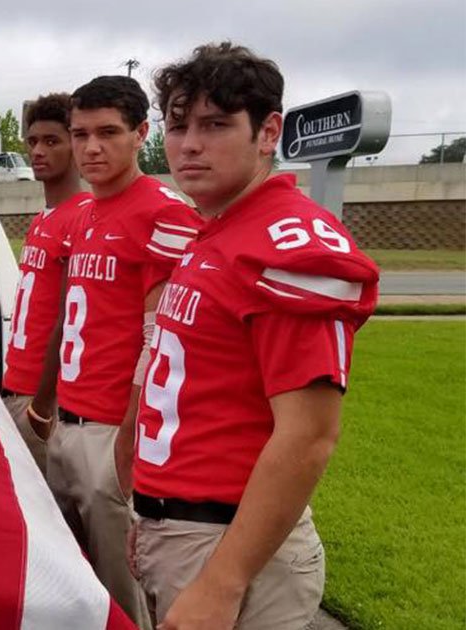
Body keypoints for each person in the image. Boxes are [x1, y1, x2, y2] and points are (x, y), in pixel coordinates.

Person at [131, 42, 378, 630]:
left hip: (224, 541)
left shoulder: (291, 247)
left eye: (216, 125)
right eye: (179, 124)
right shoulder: (218, 230)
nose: (190, 143)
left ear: (269, 132)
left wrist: (222, 582)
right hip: (179, 524)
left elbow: (309, 437)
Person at [28, 76, 203, 629]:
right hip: (69, 423)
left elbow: (163, 340)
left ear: (141, 133)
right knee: (72, 584)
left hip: (112, 431)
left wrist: (129, 439)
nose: (91, 147)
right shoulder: (82, 215)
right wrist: (50, 407)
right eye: (80, 134)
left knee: (123, 595)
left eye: (108, 132)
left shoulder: (164, 212)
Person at [1, 92, 91, 475]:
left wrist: (43, 402)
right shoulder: (42, 219)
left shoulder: (82, 217)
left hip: (41, 397)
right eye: (33, 141)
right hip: (15, 384)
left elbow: (67, 317)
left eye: (52, 141)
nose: (38, 151)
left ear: (76, 145)